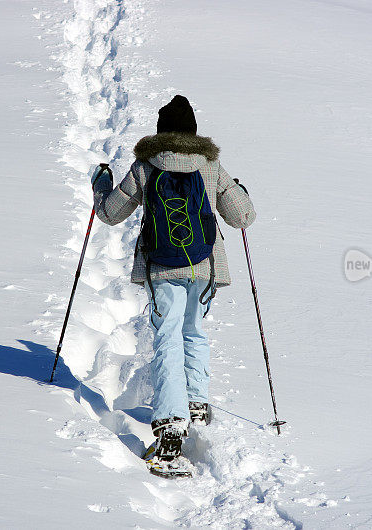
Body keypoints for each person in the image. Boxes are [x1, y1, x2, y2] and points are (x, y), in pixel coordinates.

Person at [90, 95, 256, 465]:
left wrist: (100, 185)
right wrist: (239, 193)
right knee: (193, 330)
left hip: (162, 265)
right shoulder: (211, 165)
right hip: (204, 264)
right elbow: (243, 218)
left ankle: (169, 423)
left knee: (167, 337)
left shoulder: (146, 165)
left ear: (161, 130)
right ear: (193, 132)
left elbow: (110, 214)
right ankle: (195, 401)